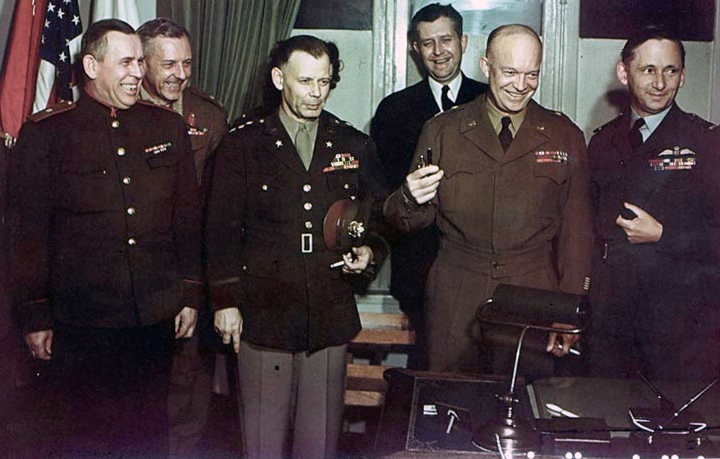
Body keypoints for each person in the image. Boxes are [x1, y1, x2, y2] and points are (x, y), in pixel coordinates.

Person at [4, 19, 201, 458]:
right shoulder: (47, 133)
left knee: (149, 434)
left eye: (139, 62)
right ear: (91, 66)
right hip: (81, 322)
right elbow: (27, 235)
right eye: (126, 62)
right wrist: (36, 315)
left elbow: (185, 220)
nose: (137, 72)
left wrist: (188, 292)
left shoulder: (166, 129)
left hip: (152, 317)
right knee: (83, 439)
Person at [205, 35, 388, 459]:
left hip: (327, 312)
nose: (316, 92)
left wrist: (370, 251)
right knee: (263, 444)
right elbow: (220, 228)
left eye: (324, 81)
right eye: (305, 81)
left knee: (319, 445)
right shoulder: (242, 144)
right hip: (264, 312)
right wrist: (225, 301)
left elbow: (377, 215)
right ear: (278, 79)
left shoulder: (351, 143)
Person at [383, 24, 592, 375]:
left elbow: (578, 232)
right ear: (486, 66)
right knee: (450, 404)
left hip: (533, 291)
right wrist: (409, 197)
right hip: (456, 290)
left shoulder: (564, 135)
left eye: (532, 74)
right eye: (510, 72)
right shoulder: (443, 130)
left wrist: (568, 311)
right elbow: (407, 220)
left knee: (525, 407)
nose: (521, 85)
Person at [587, 27, 720, 382]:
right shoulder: (602, 141)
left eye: (671, 71)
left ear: (683, 75)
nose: (660, 83)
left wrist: (664, 234)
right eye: (648, 70)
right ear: (624, 72)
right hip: (609, 324)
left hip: (677, 330)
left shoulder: (707, 142)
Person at [370, 3, 487, 370]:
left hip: (478, 264)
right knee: (427, 367)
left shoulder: (491, 102)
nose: (438, 52)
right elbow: (383, 195)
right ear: (414, 50)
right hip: (418, 269)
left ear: (463, 41)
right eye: (428, 43)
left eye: (446, 40)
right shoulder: (393, 110)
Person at [137, 17, 228, 458]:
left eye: (187, 63)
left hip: (191, 271)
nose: (180, 74)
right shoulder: (122, 110)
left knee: (190, 386)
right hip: (136, 275)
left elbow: (219, 208)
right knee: (137, 391)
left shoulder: (208, 117)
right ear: (141, 62)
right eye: (168, 64)